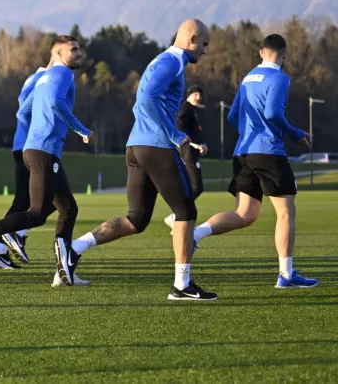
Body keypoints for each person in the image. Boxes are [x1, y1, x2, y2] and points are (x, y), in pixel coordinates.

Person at [68, 19, 217, 301]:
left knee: (136, 219)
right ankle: (182, 286)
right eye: (205, 44)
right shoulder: (172, 62)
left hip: (137, 146)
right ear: (192, 38)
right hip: (155, 147)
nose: (205, 51)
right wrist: (171, 133)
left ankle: (74, 248)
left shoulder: (163, 61)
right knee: (186, 211)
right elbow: (146, 98)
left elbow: (139, 104)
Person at [0, 36, 92, 287]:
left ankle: (63, 274)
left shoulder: (42, 79)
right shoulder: (63, 74)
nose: (78, 54)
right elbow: (55, 103)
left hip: (33, 149)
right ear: (57, 54)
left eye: (78, 49)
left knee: (68, 208)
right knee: (35, 213)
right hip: (45, 151)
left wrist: (36, 133)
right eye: (72, 50)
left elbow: (22, 110)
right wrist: (81, 129)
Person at [192, 34, 317, 288]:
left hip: (243, 152)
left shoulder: (248, 78)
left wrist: (250, 133)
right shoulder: (280, 78)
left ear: (261, 52)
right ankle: (286, 275)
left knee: (245, 214)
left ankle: (194, 234)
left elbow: (233, 115)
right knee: (286, 212)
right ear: (283, 55)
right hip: (268, 152)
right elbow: (272, 112)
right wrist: (296, 134)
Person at [0, 62, 51, 270]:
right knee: (45, 198)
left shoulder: (34, 77)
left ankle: (0, 251)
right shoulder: (46, 78)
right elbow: (24, 109)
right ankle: (13, 237)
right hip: (31, 146)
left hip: (25, 145)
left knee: (26, 200)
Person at [164, 85, 207, 231]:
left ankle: (179, 216)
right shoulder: (185, 110)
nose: (198, 97)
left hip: (193, 153)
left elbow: (195, 132)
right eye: (195, 94)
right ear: (188, 95)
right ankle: (177, 215)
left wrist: (203, 144)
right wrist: (195, 145)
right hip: (187, 152)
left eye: (200, 94)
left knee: (194, 187)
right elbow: (179, 128)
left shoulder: (194, 111)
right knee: (196, 186)